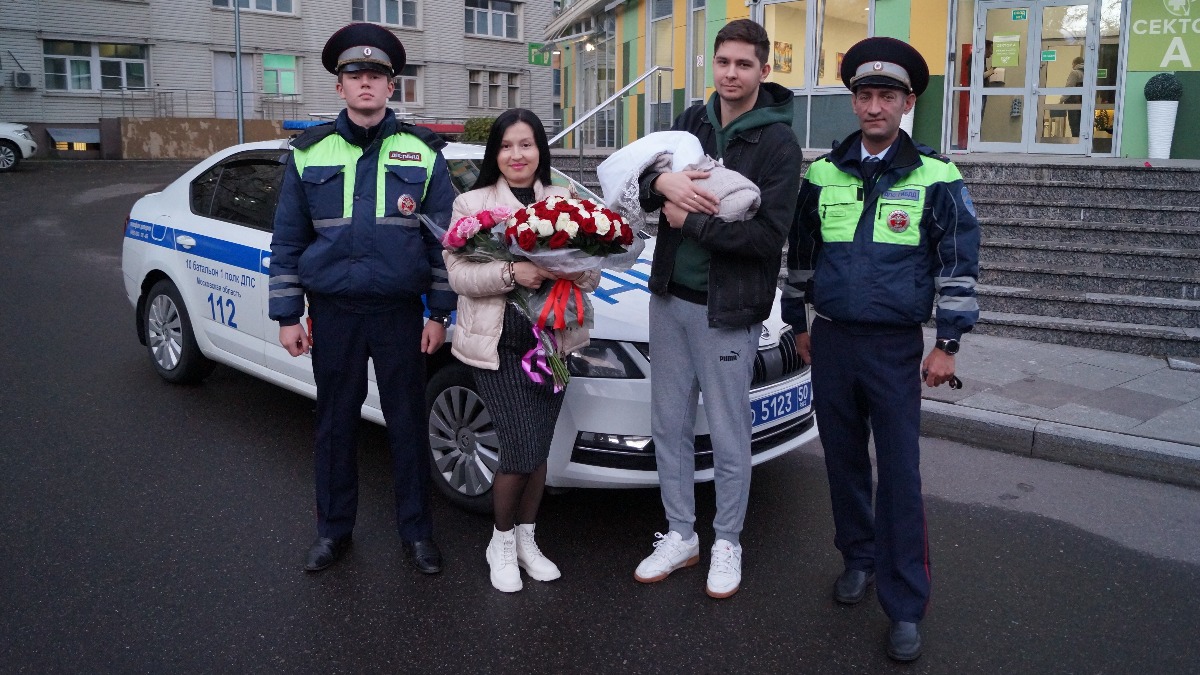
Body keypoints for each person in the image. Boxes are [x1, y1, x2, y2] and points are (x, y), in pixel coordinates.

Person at [782, 37, 980, 662]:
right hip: (834, 340)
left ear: (907, 102)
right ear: (855, 102)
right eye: (864, 96)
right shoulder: (822, 172)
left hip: (896, 346)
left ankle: (904, 603)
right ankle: (858, 560)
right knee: (842, 463)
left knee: (899, 475)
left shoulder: (937, 175)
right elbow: (802, 256)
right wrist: (798, 323)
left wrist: (947, 343)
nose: (874, 107)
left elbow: (959, 264)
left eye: (886, 97)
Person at [268, 22, 457, 575]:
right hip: (335, 315)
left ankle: (417, 534)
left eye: (376, 75)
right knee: (335, 426)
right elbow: (288, 240)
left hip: (401, 316)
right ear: (339, 87)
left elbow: (443, 243)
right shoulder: (308, 153)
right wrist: (287, 315)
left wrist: (439, 313)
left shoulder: (423, 153)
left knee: (405, 425)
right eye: (355, 75)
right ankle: (332, 532)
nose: (366, 84)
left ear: (392, 86)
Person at [632, 19, 803, 600]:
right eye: (723, 62)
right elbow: (645, 184)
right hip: (668, 298)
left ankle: (726, 538)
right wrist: (664, 188)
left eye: (744, 65)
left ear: (764, 69)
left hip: (727, 309)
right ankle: (681, 534)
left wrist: (689, 219)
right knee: (669, 427)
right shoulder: (691, 123)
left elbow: (766, 239)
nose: (731, 74)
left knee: (729, 434)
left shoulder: (778, 142)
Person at [444, 109, 600, 593]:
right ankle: (502, 541)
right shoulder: (470, 204)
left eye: (527, 144)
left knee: (540, 450)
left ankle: (529, 539)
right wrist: (514, 274)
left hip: (553, 342)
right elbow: (459, 276)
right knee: (517, 450)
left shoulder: (564, 199)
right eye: (507, 146)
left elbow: (593, 272)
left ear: (540, 150)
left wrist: (564, 270)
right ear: (496, 153)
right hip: (499, 347)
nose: (517, 155)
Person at [1063, 56, 1085, 137]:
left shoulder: (1075, 73)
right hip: (1084, 103)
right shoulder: (1088, 73)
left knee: (1075, 125)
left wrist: (1062, 99)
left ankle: (1076, 144)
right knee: (1083, 125)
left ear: (1075, 63)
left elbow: (1069, 87)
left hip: (1074, 103)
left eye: (1072, 64)